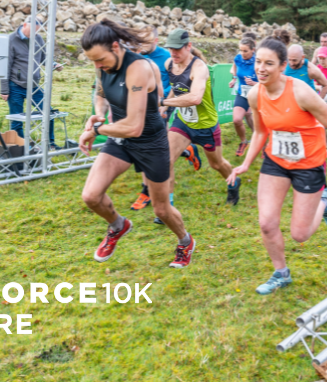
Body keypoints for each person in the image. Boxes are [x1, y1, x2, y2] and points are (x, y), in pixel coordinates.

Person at [227, 38, 327, 295]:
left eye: (269, 64)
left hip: (309, 164)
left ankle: (324, 202)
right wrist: (246, 163)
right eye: (258, 62)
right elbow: (261, 132)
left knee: (300, 234)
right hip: (276, 161)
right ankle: (281, 273)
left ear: (283, 66)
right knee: (266, 223)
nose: (261, 69)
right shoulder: (255, 94)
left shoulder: (300, 92)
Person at [78, 20, 196, 268]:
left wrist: (97, 130)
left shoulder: (139, 68)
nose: (97, 65)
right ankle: (118, 225)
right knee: (90, 195)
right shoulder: (103, 65)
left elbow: (134, 126)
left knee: (161, 210)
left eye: (100, 59)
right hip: (120, 139)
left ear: (115, 46)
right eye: (93, 61)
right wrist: (98, 115)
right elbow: (101, 93)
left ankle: (185, 241)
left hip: (151, 142)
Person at [163, 29, 242, 208]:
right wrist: (166, 107)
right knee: (165, 159)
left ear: (188, 46)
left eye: (177, 49)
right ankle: (168, 206)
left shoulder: (199, 68)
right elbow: (177, 87)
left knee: (217, 164)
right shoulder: (170, 63)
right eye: (170, 49)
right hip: (183, 122)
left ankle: (234, 182)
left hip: (205, 125)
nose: (173, 53)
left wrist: (163, 102)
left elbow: (194, 98)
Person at [130, 29, 200, 211]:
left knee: (153, 151)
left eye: (145, 42)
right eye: (139, 42)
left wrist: (164, 105)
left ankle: (148, 192)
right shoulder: (136, 56)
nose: (141, 46)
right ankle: (187, 149)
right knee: (149, 149)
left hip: (161, 107)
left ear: (155, 39)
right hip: (140, 108)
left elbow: (176, 83)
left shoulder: (166, 57)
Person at [0, 19, 56, 147]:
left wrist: (53, 64)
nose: (34, 34)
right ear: (25, 25)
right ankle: (22, 147)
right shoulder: (11, 40)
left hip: (35, 86)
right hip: (15, 86)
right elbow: (5, 66)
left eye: (37, 31)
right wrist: (4, 89)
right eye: (32, 31)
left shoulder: (38, 38)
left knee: (48, 113)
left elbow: (44, 59)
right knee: (16, 120)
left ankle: (50, 144)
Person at [229, 37, 258, 157]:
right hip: (243, 93)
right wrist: (234, 79)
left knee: (262, 122)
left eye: (245, 51)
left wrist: (255, 83)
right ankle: (244, 141)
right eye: (241, 50)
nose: (242, 53)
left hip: (258, 95)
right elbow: (235, 68)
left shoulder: (259, 61)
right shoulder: (238, 58)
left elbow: (269, 82)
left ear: (253, 50)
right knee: (237, 120)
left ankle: (265, 145)